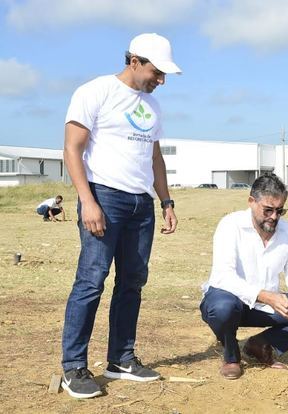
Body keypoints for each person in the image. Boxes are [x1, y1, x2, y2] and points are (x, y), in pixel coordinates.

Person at [61, 33, 181, 399]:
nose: (160, 81)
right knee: (91, 281)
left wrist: (166, 201)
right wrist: (88, 201)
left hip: (140, 205)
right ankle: (73, 367)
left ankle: (121, 359)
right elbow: (72, 149)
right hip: (104, 197)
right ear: (134, 61)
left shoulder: (153, 107)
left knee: (132, 282)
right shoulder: (95, 92)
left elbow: (155, 158)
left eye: (163, 75)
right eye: (156, 72)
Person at [200, 172, 288, 380]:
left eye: (280, 211)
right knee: (223, 309)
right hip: (229, 301)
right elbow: (223, 276)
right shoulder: (230, 225)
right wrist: (266, 296)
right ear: (252, 202)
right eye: (268, 210)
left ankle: (261, 345)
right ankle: (231, 356)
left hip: (266, 307)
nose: (274, 217)